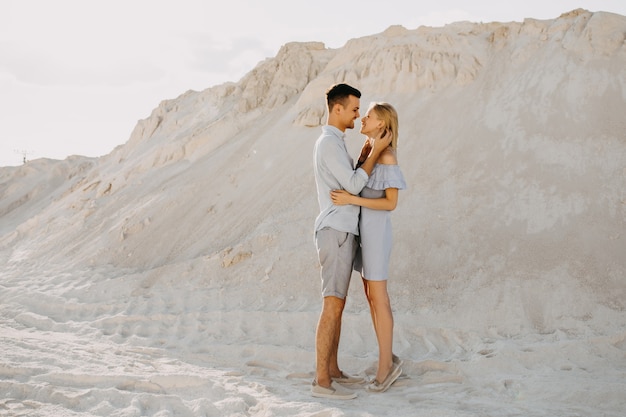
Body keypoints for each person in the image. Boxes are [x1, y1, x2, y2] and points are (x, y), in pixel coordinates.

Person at [311, 84, 392, 400]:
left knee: (338, 304)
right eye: (355, 109)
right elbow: (355, 186)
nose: (358, 114)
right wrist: (372, 157)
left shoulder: (336, 143)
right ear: (338, 109)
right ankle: (322, 382)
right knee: (332, 304)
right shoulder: (329, 145)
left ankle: (333, 371)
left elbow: (351, 180)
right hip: (336, 231)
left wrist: (360, 159)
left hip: (343, 231)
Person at [331, 101, 406, 393]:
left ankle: (386, 367)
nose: (363, 118)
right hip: (365, 234)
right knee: (371, 298)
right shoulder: (370, 151)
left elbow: (391, 203)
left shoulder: (386, 156)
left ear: (382, 124)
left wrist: (353, 201)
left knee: (380, 298)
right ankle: (387, 357)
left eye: (369, 115)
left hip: (376, 234)